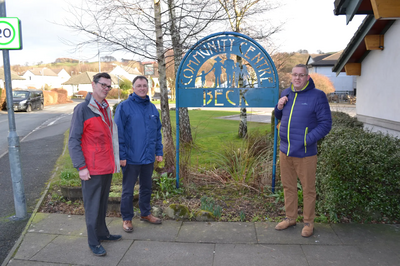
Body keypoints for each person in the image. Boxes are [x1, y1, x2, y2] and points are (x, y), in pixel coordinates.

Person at [274, 64, 332, 237]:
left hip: (306, 153)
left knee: (308, 189)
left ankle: (308, 222)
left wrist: (306, 140)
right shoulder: (286, 93)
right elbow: (278, 115)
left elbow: (325, 124)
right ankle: (290, 218)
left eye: (301, 75)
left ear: (307, 77)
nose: (297, 78)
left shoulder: (317, 96)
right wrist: (278, 107)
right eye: (295, 75)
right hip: (285, 151)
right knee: (288, 186)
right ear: (291, 76)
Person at [68, 72, 121, 256]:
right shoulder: (83, 109)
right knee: (92, 207)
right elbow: (74, 140)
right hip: (91, 169)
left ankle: (102, 233)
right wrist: (81, 167)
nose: (106, 89)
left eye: (109, 86)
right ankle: (93, 242)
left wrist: (115, 162)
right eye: (103, 85)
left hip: (106, 166)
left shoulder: (105, 107)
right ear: (93, 84)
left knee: (102, 205)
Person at [114, 75, 163, 233]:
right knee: (128, 190)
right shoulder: (124, 107)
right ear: (133, 88)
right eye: (139, 85)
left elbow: (157, 133)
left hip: (148, 157)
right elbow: (118, 133)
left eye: (144, 85)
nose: (142, 88)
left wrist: (158, 152)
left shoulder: (152, 108)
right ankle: (127, 218)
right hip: (130, 158)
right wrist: (121, 156)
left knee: (146, 187)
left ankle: (145, 213)